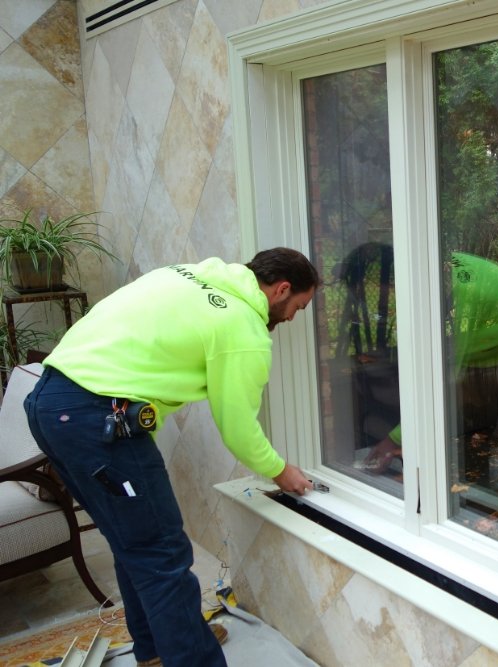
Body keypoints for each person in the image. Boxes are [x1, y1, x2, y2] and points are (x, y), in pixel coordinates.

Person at [22, 248, 319, 667]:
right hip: (97, 420)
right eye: (298, 307)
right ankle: (192, 656)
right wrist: (279, 470)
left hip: (49, 404)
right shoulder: (242, 328)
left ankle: (159, 649)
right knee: (162, 553)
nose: (292, 318)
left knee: (135, 543)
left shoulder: (187, 275)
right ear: (282, 289)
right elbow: (237, 428)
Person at [338, 244, 498, 475]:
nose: (389, 299)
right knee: (476, 440)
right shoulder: (439, 271)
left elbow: (446, 383)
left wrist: (392, 441)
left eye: (388, 290)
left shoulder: (466, 292)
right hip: (496, 343)